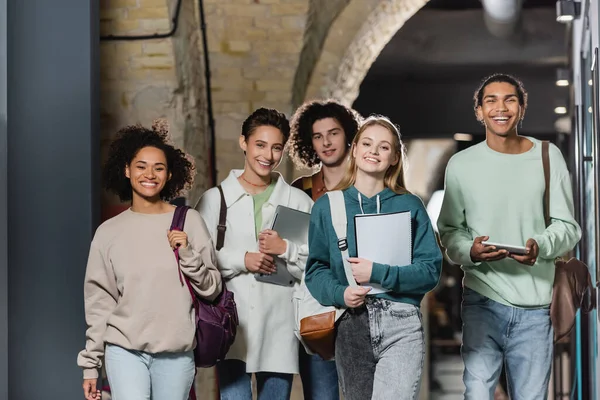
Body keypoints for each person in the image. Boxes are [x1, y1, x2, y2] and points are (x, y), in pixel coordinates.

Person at [437, 73, 582, 399]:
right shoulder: (461, 165)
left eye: (510, 99)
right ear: (479, 111)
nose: (500, 108)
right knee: (478, 393)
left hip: (536, 306)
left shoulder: (547, 156)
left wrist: (540, 247)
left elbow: (568, 227)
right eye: (491, 100)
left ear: (522, 107)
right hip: (481, 300)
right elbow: (449, 232)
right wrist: (471, 251)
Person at [77, 121, 223, 400]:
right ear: (127, 170)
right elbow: (99, 304)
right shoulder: (108, 232)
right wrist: (90, 366)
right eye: (141, 166)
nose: (149, 174)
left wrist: (188, 254)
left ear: (169, 175)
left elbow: (213, 288)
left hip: (177, 354)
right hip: (124, 350)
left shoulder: (189, 221)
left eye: (158, 168)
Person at [305, 115, 442, 400]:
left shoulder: (410, 205)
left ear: (394, 157)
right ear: (354, 150)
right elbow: (316, 271)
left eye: (383, 147)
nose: (373, 151)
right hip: (351, 323)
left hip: (402, 322)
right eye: (366, 144)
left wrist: (378, 272)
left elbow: (430, 270)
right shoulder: (327, 206)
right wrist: (341, 293)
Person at [195, 108, 313, 400]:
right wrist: (242, 259)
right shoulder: (214, 200)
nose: (268, 155)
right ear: (243, 143)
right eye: (260, 145)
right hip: (232, 328)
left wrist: (286, 250)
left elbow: (317, 265)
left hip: (281, 325)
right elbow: (197, 263)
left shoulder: (298, 201)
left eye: (276, 148)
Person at [287, 99, 361, 399]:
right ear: (310, 143)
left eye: (333, 133)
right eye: (318, 136)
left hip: (362, 307)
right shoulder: (299, 190)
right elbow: (287, 254)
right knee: (321, 395)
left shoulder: (367, 188)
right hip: (317, 308)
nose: (326, 142)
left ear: (348, 136)